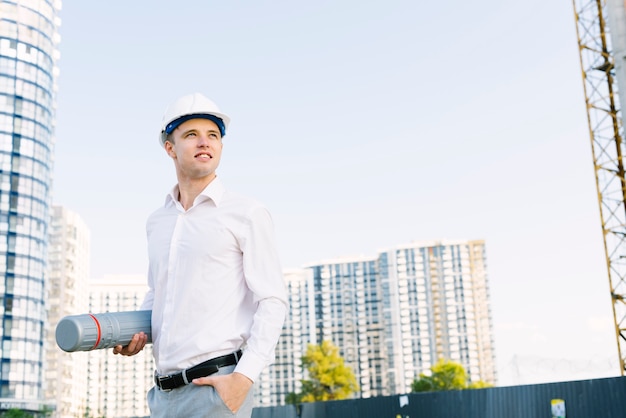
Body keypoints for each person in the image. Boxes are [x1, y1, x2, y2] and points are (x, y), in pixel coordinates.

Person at [113, 92, 288, 418]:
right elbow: (157, 293)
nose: (204, 143)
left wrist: (242, 379)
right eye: (191, 135)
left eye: (213, 136)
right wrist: (132, 335)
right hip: (162, 394)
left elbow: (273, 300)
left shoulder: (247, 212)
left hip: (216, 389)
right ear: (170, 148)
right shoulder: (157, 222)